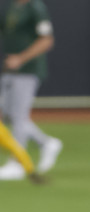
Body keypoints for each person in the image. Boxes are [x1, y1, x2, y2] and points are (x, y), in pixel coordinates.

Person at [0, 0, 62, 181]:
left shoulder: (35, 7)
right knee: (10, 115)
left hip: (27, 70)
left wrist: (21, 58)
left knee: (18, 116)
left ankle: (17, 165)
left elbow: (47, 40)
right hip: (9, 69)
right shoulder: (12, 7)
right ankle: (47, 143)